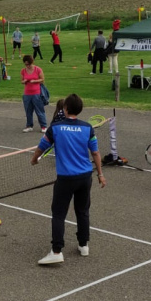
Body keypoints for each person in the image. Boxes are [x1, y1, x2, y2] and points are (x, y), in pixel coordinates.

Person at [31, 93, 105, 265]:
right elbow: (95, 152)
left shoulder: (55, 128)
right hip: (85, 177)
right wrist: (100, 174)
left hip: (65, 179)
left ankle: (56, 250)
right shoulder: (87, 128)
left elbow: (41, 147)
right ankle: (83, 245)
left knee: (58, 214)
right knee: (83, 210)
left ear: (65, 109)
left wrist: (34, 160)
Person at [20, 55, 47, 133]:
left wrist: (34, 81)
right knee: (28, 110)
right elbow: (21, 81)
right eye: (26, 64)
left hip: (36, 93)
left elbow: (42, 79)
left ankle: (43, 126)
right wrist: (24, 81)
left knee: (39, 110)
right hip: (27, 93)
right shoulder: (23, 71)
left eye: (29, 64)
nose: (27, 66)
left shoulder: (38, 69)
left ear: (32, 62)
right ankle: (29, 125)